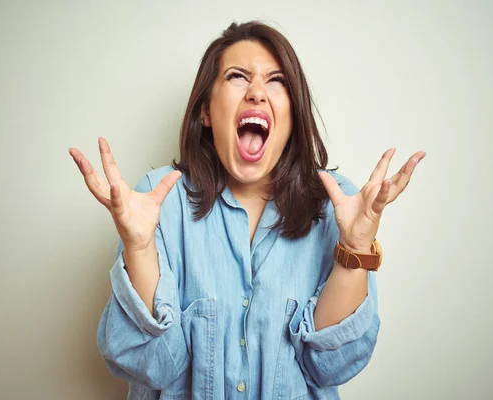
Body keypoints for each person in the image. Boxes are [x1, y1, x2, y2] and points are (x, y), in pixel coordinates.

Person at [69, 21, 425, 400]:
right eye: (238, 76)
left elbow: (330, 368)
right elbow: (153, 367)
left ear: (293, 113)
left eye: (277, 81)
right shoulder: (159, 202)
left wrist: (354, 249)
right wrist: (139, 249)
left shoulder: (337, 205)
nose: (257, 93)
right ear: (206, 110)